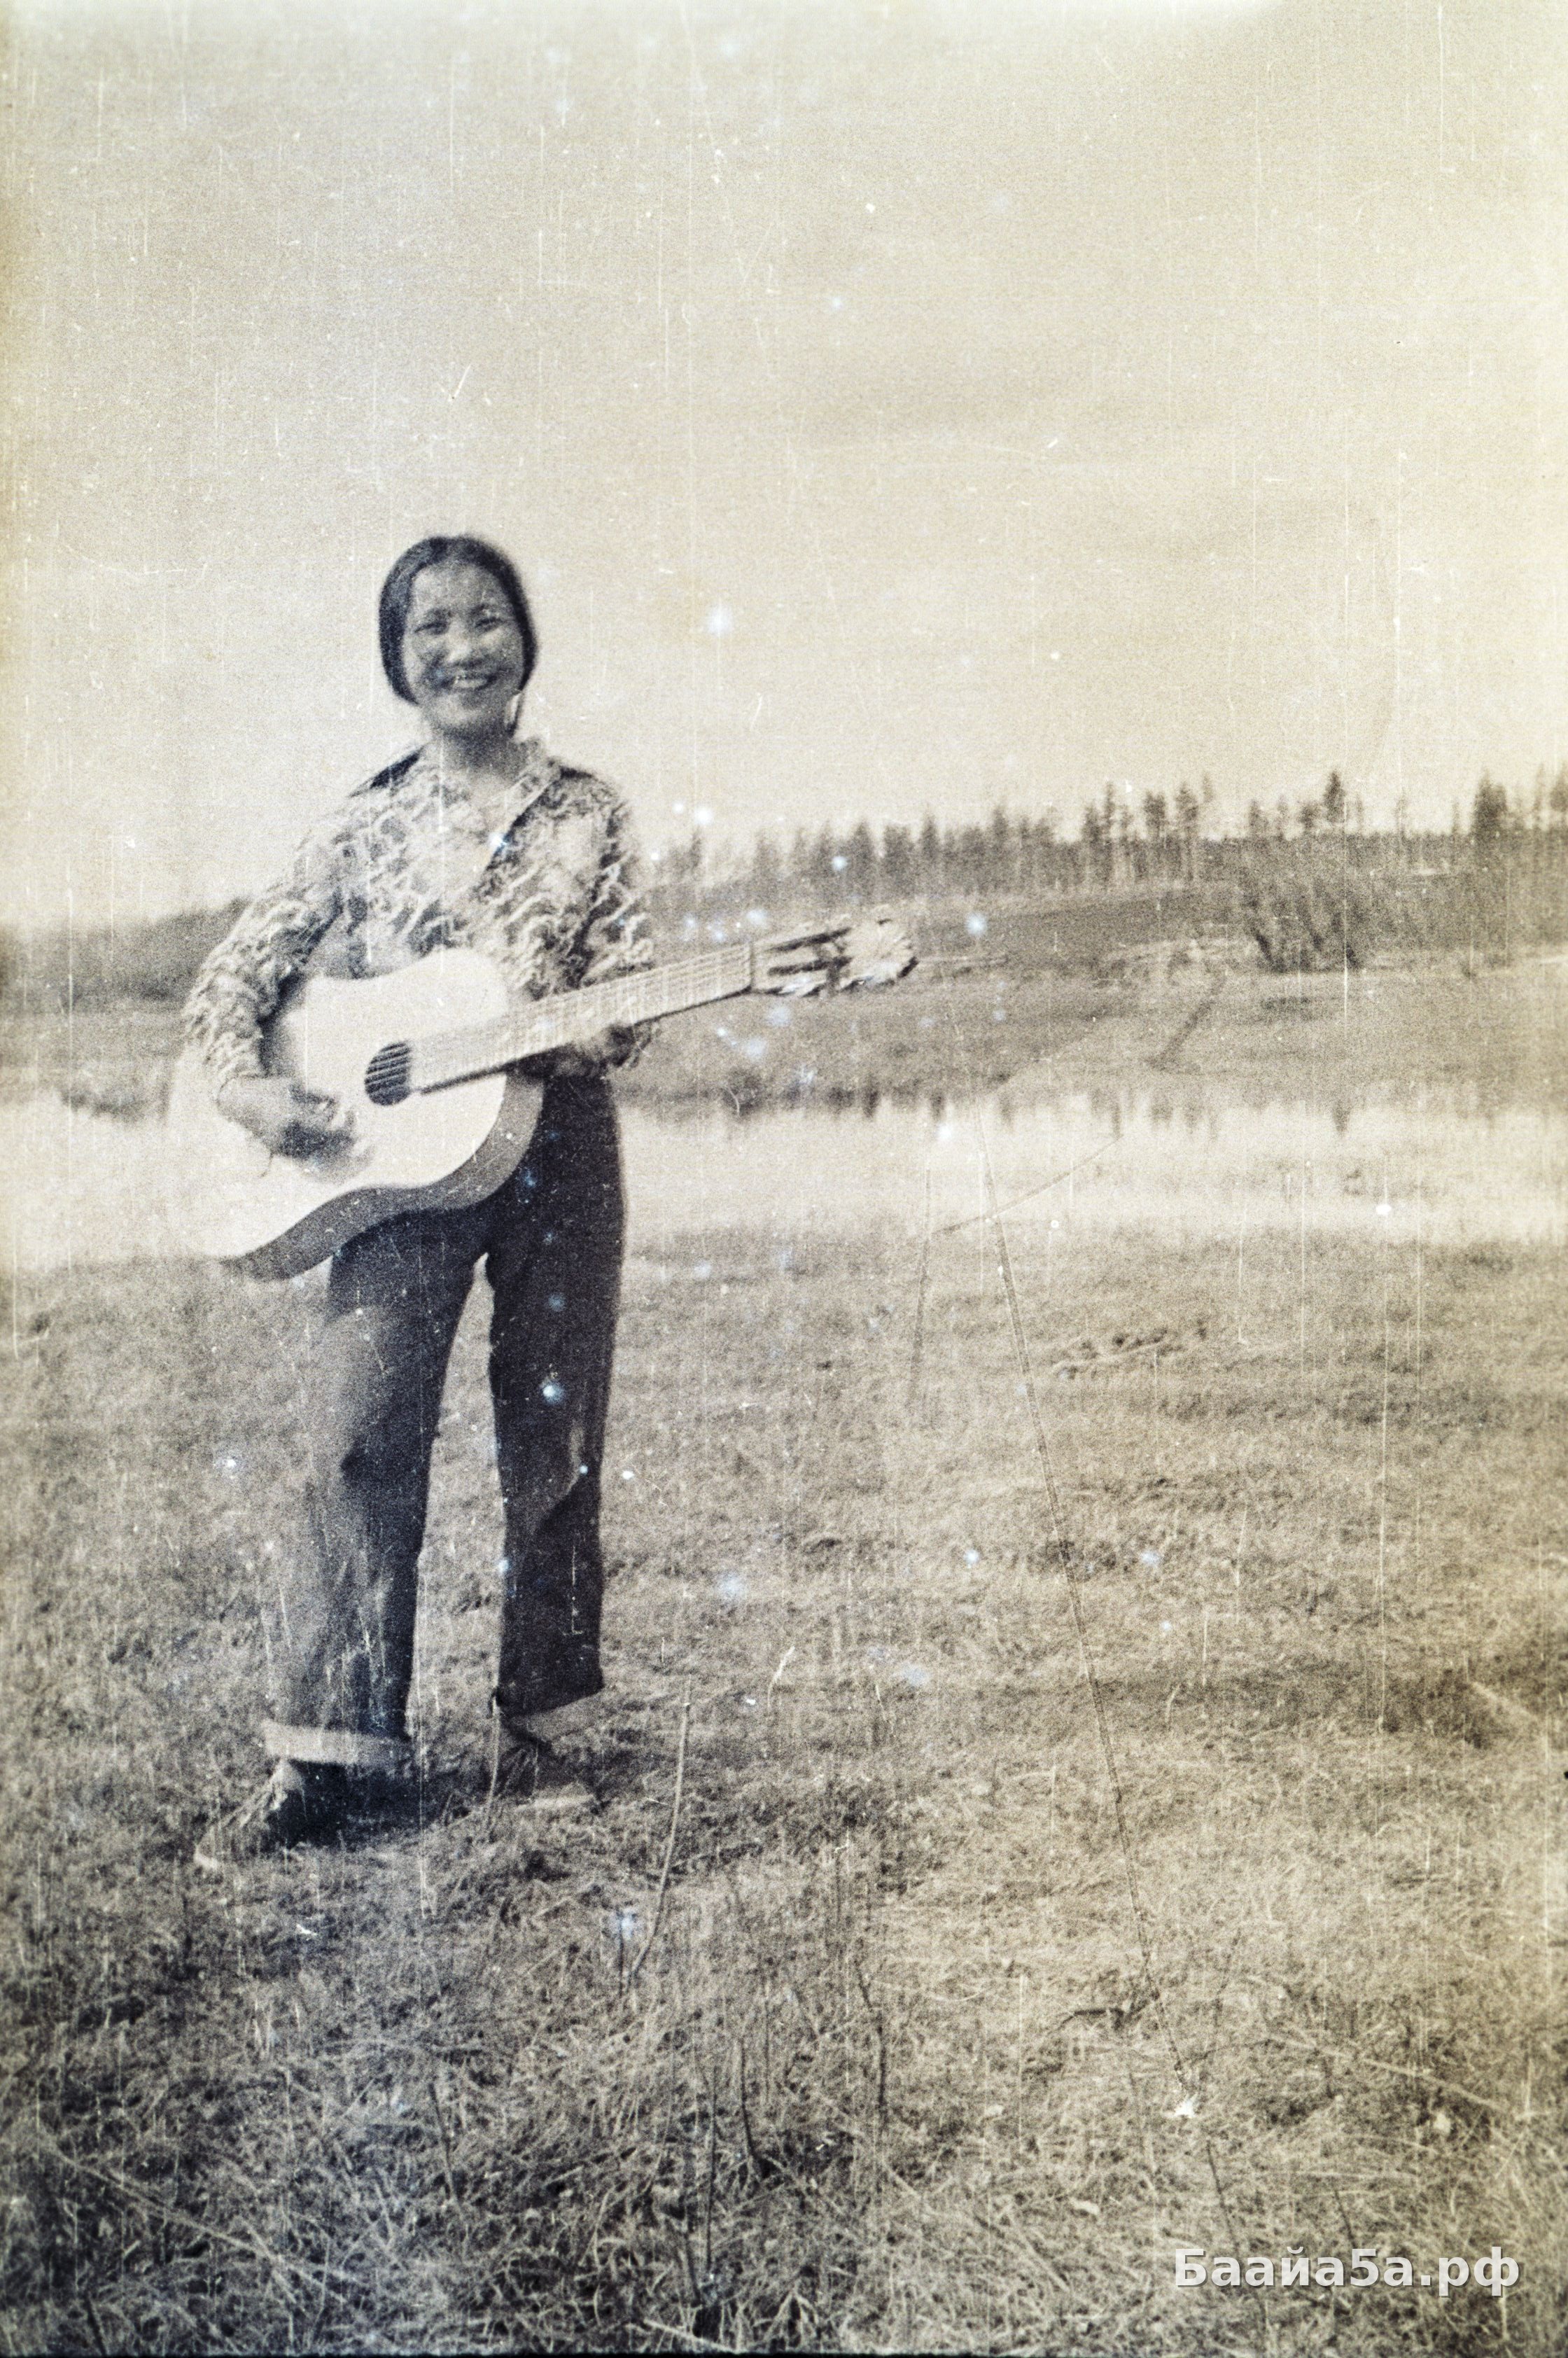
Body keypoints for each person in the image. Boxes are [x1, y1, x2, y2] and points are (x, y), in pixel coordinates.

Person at [187, 534, 650, 1867]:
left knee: (555, 1434)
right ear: (398, 660)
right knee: (356, 1435)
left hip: (560, 1143)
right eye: (431, 627)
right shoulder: (362, 819)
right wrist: (247, 1089)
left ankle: (546, 1726)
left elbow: (625, 980)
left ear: (525, 638)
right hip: (398, 1158)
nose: (463, 649)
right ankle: (327, 1757)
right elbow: (236, 976)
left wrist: (598, 1025)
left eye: (486, 619)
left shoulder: (590, 811)